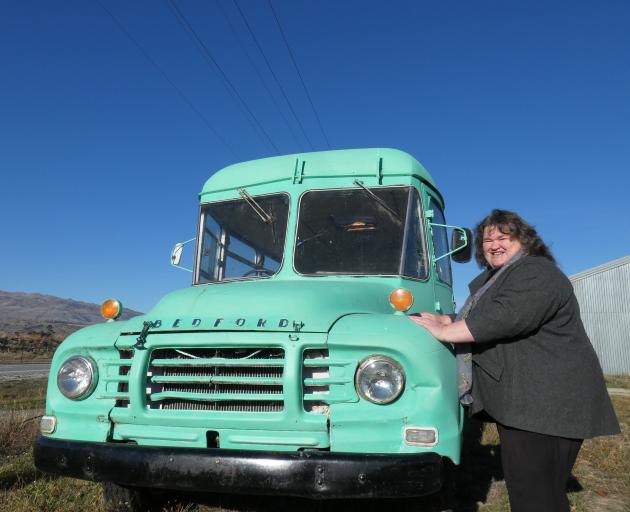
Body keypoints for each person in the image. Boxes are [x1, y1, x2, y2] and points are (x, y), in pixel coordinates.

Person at [408, 209, 619, 512]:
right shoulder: (504, 278)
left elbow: (505, 317)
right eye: (486, 240)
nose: (493, 244)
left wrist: (446, 332)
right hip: (533, 404)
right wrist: (445, 318)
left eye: (502, 237)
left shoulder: (536, 272)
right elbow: (488, 314)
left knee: (535, 497)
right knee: (538, 492)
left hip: (547, 406)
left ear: (524, 240)